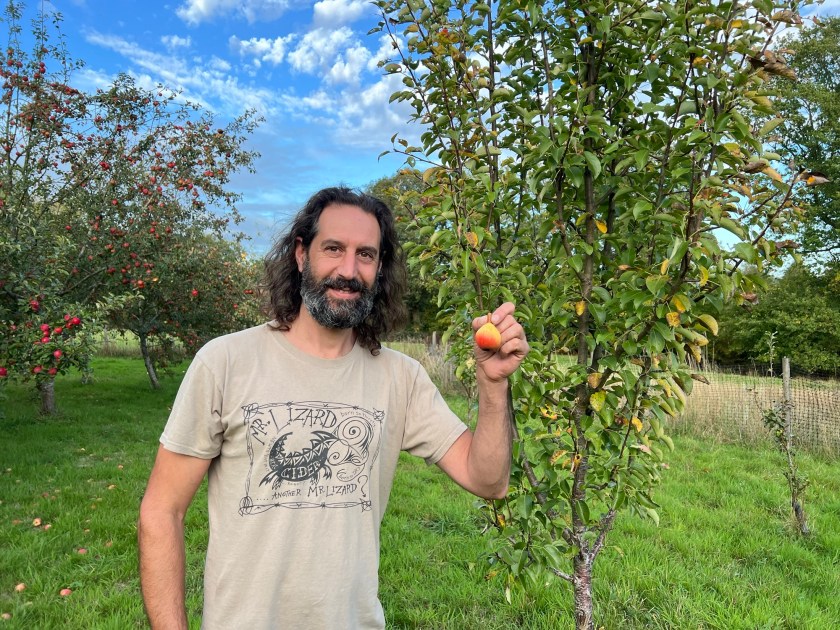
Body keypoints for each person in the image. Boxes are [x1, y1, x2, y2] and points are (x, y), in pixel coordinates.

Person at [138, 186, 529, 630]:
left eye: (366, 254)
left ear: (379, 268)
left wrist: (493, 386)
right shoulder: (225, 362)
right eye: (333, 249)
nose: (348, 270)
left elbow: (489, 480)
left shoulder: (400, 377)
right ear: (301, 255)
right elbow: (161, 512)